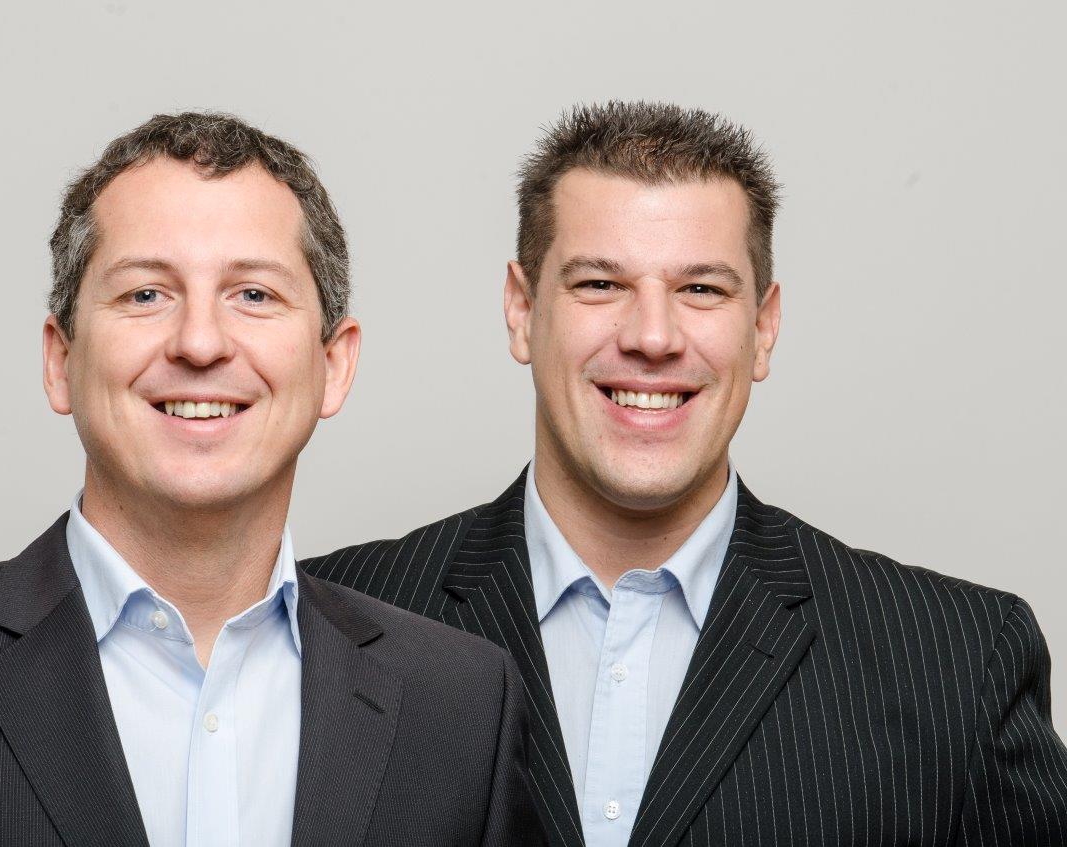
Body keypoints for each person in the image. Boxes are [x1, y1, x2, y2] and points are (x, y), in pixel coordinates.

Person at [303, 101, 1067, 846]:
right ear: (521, 310)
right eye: (600, 284)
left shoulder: (958, 660)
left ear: (763, 326)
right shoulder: (316, 626)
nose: (653, 336)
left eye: (701, 288)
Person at [0, 112, 543, 847]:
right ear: (60, 360)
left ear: (334, 365)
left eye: (254, 294)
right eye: (145, 294)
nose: (200, 343)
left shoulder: (462, 704)